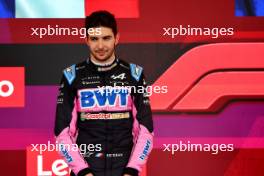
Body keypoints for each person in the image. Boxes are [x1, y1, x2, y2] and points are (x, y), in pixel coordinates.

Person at [54, 10, 154, 176]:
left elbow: (145, 130)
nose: (100, 46)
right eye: (94, 39)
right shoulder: (72, 76)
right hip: (86, 171)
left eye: (106, 38)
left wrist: (132, 170)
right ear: (86, 40)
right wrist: (82, 171)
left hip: (125, 171)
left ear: (117, 38)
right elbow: (62, 133)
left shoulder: (134, 74)